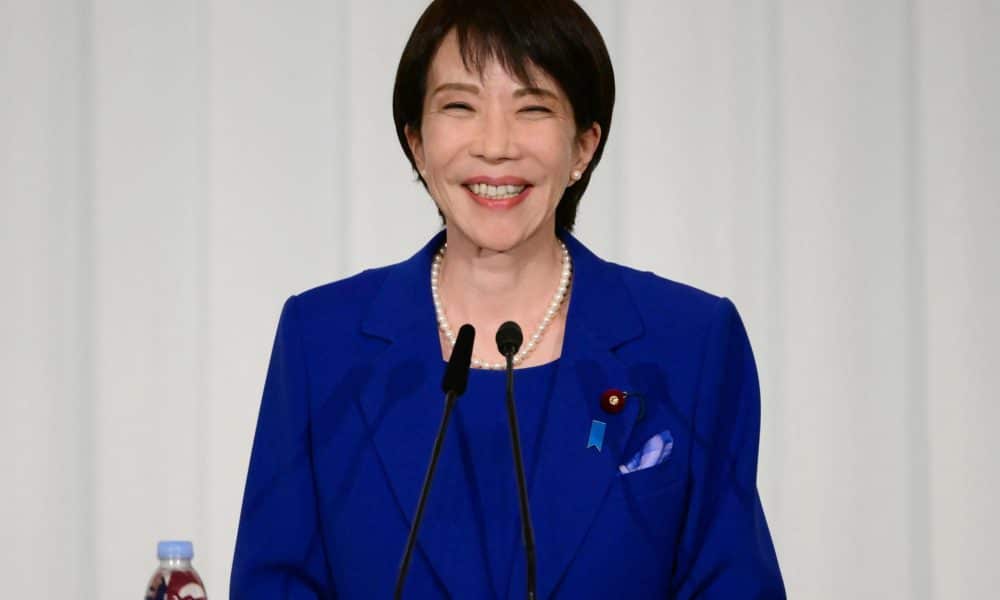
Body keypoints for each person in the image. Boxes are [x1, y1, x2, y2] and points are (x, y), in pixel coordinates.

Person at [231, 1, 785, 598]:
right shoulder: (322, 341)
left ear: (583, 146)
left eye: (533, 108)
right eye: (460, 106)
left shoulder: (692, 343)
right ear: (417, 142)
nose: (495, 146)